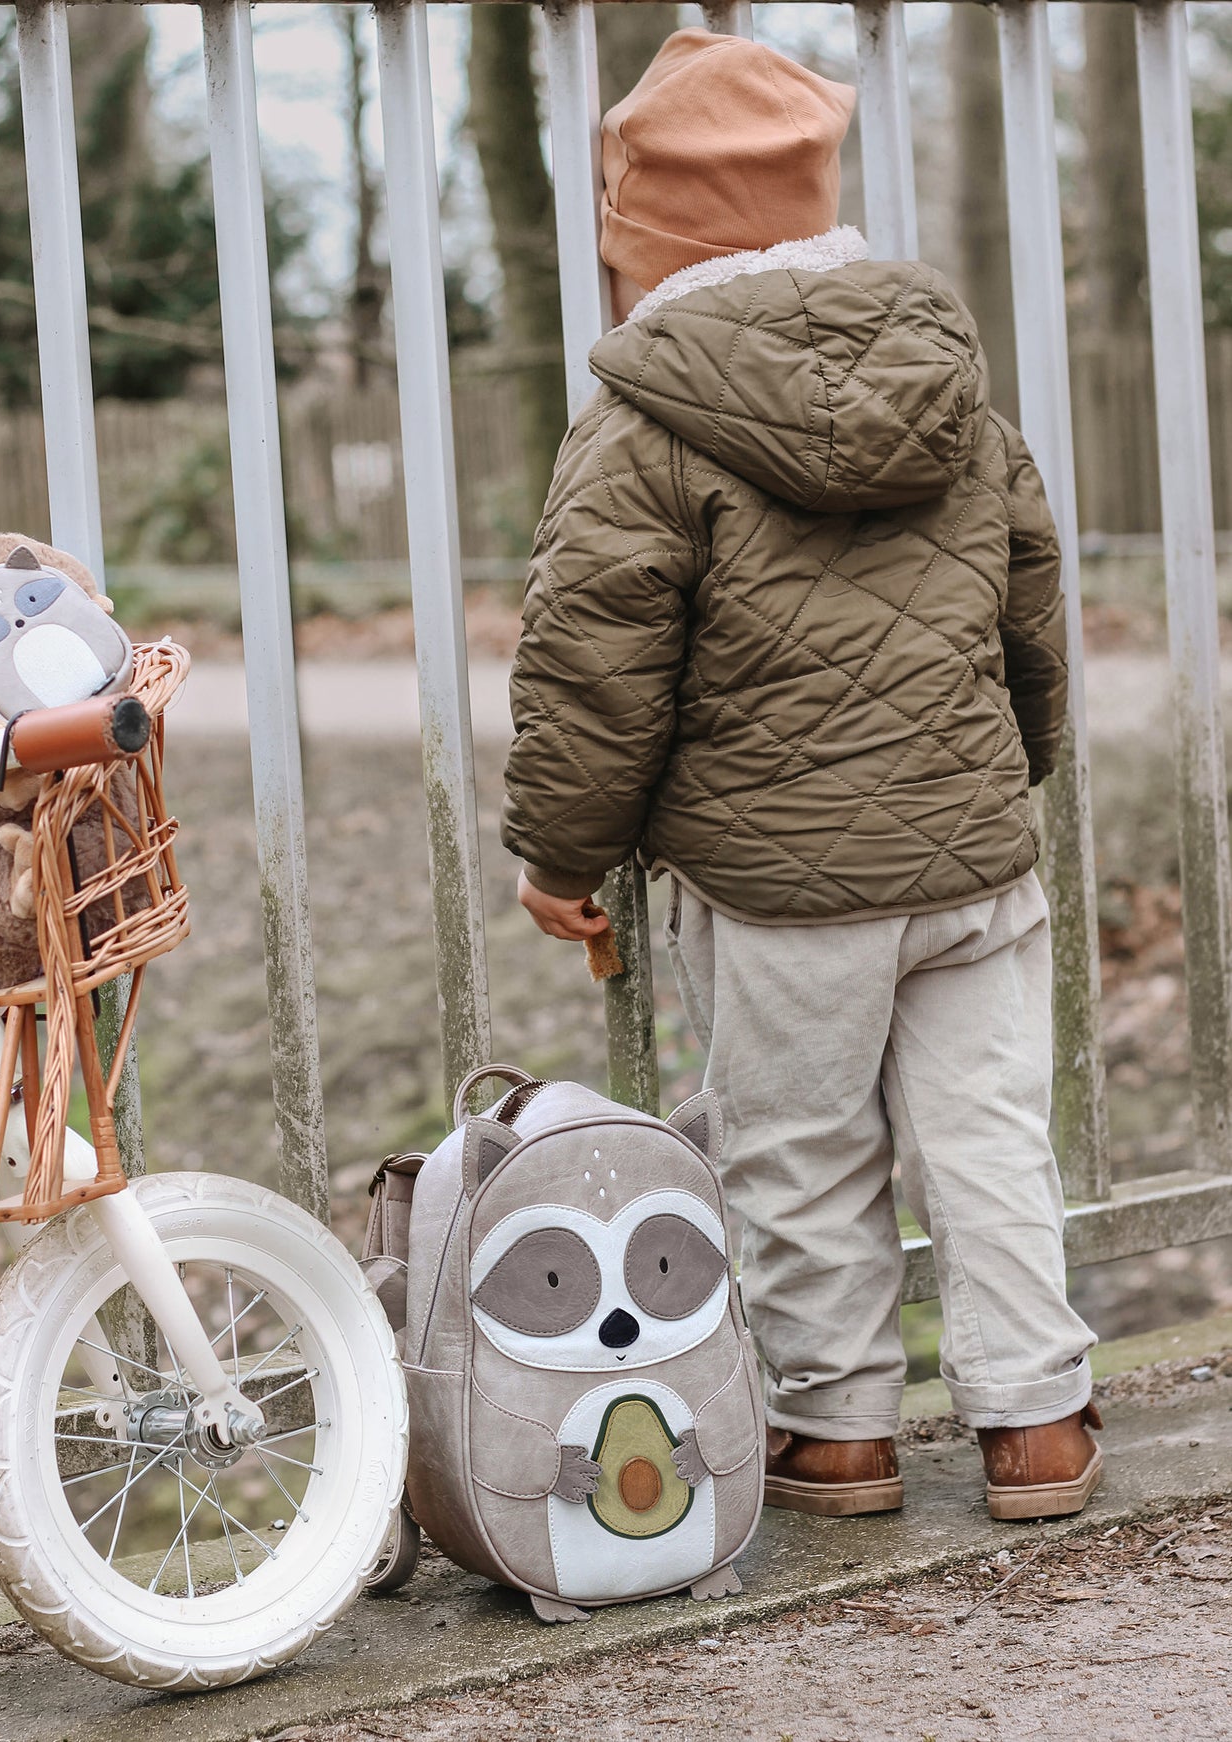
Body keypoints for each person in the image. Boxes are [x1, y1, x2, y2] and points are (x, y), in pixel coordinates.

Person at [501, 27, 1101, 1522]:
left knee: (800, 1149)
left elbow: (592, 666)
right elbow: (1031, 601)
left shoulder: (637, 425)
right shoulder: (950, 386)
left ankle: (837, 1434)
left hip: (778, 889)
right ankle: (1037, 1425)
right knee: (985, 1137)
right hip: (971, 860)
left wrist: (559, 856)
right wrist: (1010, 772)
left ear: (639, 245)